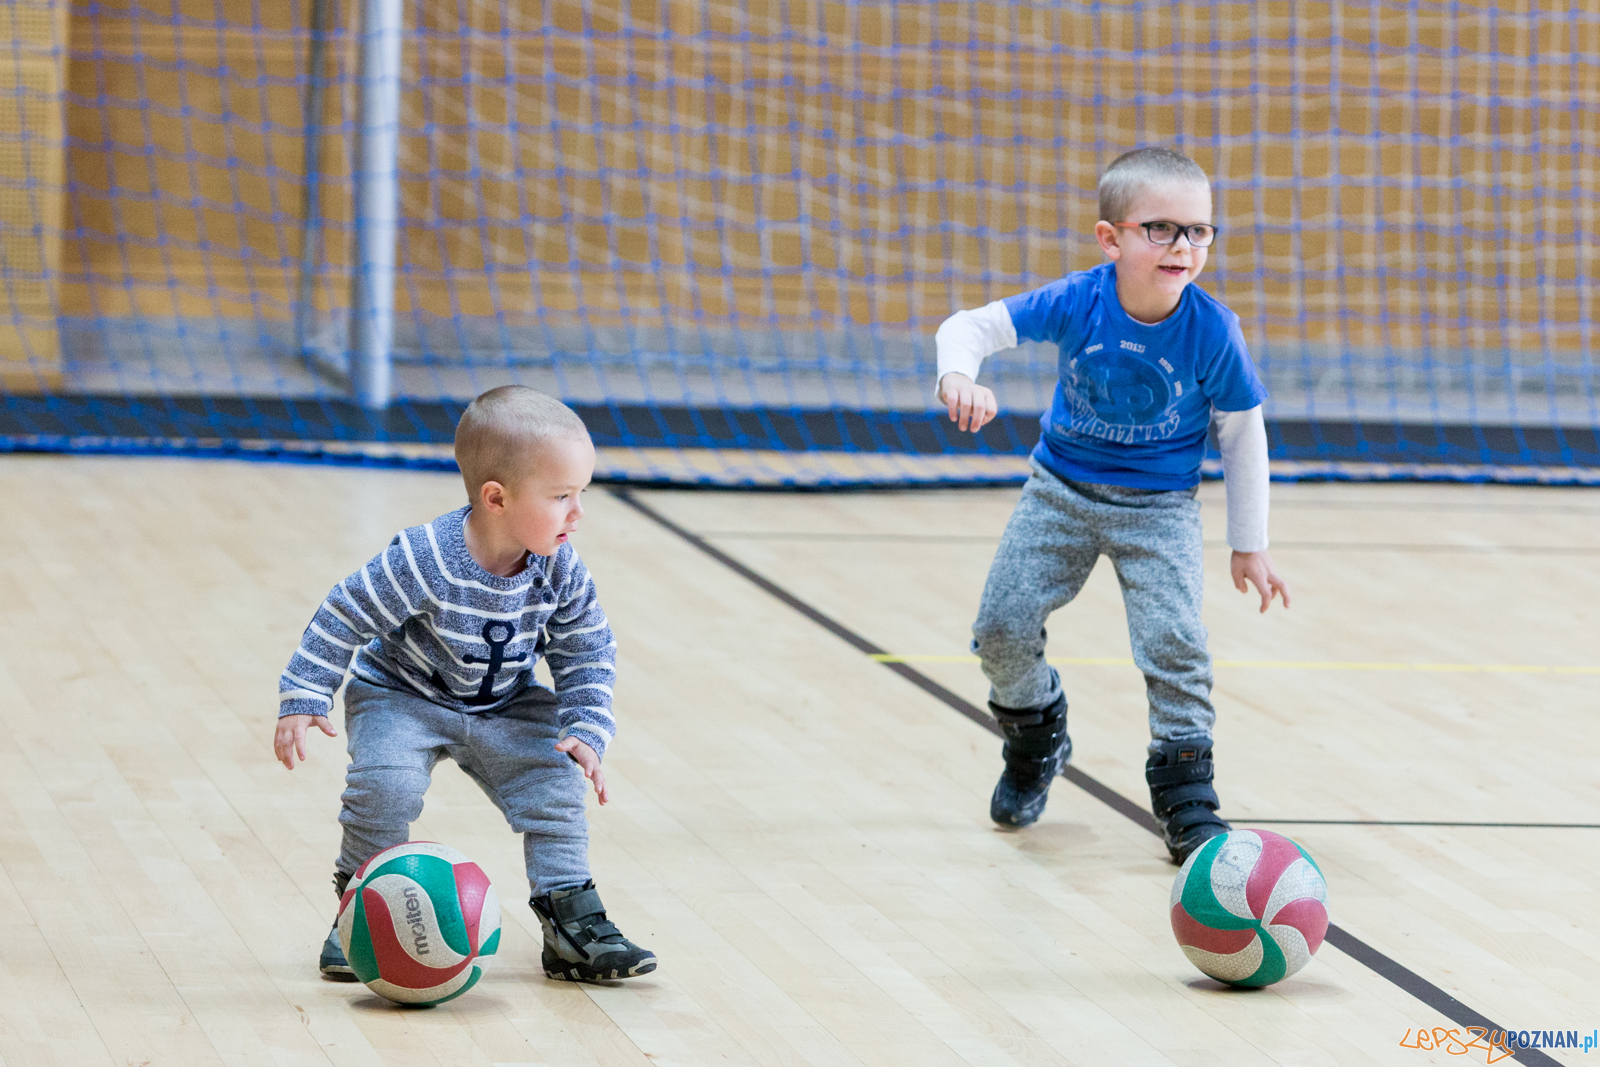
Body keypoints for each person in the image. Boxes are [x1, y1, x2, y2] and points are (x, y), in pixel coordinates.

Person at [934, 146, 1291, 863]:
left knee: (1174, 643)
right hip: (1060, 491)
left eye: (1199, 231)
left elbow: (1242, 431)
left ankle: (1187, 794)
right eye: (1161, 228)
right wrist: (957, 377)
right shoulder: (1079, 299)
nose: (1184, 246)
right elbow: (968, 327)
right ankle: (1037, 732)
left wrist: (1248, 541)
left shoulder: (1212, 329)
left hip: (1159, 508)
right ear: (1112, 237)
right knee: (1000, 628)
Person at [273, 385, 656, 981]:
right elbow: (345, 613)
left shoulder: (559, 567)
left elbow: (586, 648)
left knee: (556, 791)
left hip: (505, 702)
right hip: (402, 696)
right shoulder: (425, 559)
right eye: (561, 496)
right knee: (383, 788)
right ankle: (358, 918)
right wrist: (304, 692)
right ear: (496, 498)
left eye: (580, 494)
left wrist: (585, 725)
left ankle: (570, 924)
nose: (578, 513)